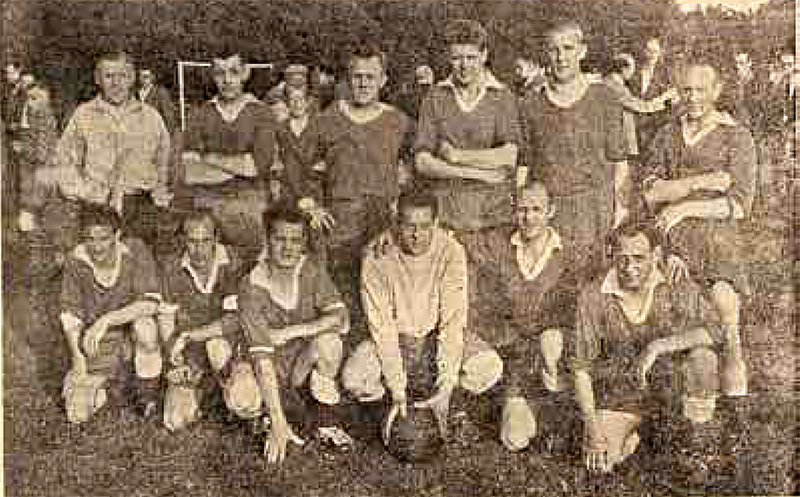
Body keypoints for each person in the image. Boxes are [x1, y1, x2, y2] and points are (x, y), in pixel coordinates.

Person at [342, 191, 503, 449]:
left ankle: (447, 404)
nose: (417, 235)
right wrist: (397, 390)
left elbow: (452, 323)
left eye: (425, 226)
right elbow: (383, 330)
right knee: (354, 377)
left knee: (489, 366)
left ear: (436, 223)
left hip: (433, 340)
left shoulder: (451, 251)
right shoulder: (376, 256)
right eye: (409, 226)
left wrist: (447, 386)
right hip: (398, 341)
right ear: (396, 223)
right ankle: (393, 408)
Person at [572, 220, 729, 483]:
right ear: (612, 256)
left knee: (703, 358)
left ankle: (694, 437)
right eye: (622, 259)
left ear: (656, 255)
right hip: (621, 394)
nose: (629, 268)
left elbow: (716, 331)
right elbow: (581, 367)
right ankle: (640, 435)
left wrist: (657, 346)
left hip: (671, 390)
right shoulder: (594, 294)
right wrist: (592, 429)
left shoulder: (674, 282)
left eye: (639, 258)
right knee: (600, 463)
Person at [642, 62, 754, 401]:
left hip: (717, 237)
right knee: (671, 303)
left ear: (716, 91)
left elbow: (738, 205)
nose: (692, 98)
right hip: (670, 236)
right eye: (686, 90)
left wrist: (682, 206)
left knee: (723, 297)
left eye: (700, 90)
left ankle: (733, 365)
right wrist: (705, 181)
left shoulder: (736, 136)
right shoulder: (667, 134)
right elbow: (650, 193)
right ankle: (683, 379)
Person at [304, 41, 413, 318]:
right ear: (348, 79)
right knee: (343, 301)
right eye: (357, 77)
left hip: (383, 224)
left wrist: (400, 213)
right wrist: (313, 206)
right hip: (340, 225)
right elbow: (306, 172)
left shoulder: (399, 122)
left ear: (383, 80)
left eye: (370, 77)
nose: (363, 84)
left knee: (385, 302)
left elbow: (410, 175)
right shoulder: (326, 121)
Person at [238, 205, 353, 464]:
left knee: (329, 343)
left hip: (298, 368)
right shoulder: (251, 285)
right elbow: (262, 359)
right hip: (264, 370)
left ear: (303, 242)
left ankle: (325, 421)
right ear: (267, 240)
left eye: (296, 240)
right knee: (241, 398)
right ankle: (267, 418)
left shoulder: (310, 270)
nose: (288, 248)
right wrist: (279, 422)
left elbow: (341, 318)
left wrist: (291, 332)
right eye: (280, 239)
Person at [468, 182, 576, 451]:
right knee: (514, 439)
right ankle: (519, 408)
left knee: (551, 345)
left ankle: (556, 410)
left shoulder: (570, 253)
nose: (529, 218)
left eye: (537, 210)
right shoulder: (499, 245)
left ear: (551, 211)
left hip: (550, 353)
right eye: (522, 210)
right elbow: (454, 239)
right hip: (515, 355)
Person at [520, 20, 628, 284]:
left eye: (568, 48)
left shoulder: (604, 98)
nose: (561, 57)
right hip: (551, 216)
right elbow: (523, 167)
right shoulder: (530, 104)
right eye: (554, 50)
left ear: (582, 51)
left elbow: (620, 162)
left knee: (594, 287)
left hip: (596, 212)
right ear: (546, 54)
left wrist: (619, 209)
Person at [415, 19, 522, 269]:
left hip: (492, 217)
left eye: (471, 57)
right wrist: (479, 173)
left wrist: (456, 156)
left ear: (484, 56)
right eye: (457, 58)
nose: (464, 66)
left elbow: (509, 156)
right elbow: (422, 161)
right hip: (447, 216)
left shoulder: (501, 97)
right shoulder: (435, 97)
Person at [44, 50, 172, 250]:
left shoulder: (151, 117)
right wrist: (87, 192)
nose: (116, 83)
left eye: (122, 76)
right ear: (97, 79)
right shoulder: (82, 115)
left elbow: (164, 161)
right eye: (109, 76)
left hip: (140, 209)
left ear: (132, 78)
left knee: (139, 261)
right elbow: (64, 163)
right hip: (97, 207)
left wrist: (159, 194)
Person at [59, 204, 165, 422]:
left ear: (117, 235)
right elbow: (70, 314)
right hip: (100, 341)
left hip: (130, 330)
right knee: (78, 414)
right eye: (90, 239)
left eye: (104, 239)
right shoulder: (76, 261)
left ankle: (147, 397)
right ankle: (116, 382)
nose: (97, 247)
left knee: (146, 327)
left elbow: (151, 303)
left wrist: (105, 321)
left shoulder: (134, 249)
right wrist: (77, 357)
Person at [160, 211, 259, 430]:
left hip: (228, 346)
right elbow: (166, 318)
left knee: (245, 402)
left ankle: (231, 389)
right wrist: (174, 358)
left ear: (216, 238)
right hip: (191, 351)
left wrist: (190, 336)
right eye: (192, 241)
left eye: (205, 241)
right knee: (176, 421)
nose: (199, 249)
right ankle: (205, 392)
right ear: (183, 240)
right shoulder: (172, 267)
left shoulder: (234, 263)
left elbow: (235, 320)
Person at [180, 47, 277, 263]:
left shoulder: (261, 113)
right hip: (207, 205)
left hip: (250, 207)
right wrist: (238, 167)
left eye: (233, 72)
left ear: (245, 73)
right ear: (212, 76)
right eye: (220, 73)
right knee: (208, 263)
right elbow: (190, 172)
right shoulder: (200, 114)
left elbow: (256, 167)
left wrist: (209, 159)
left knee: (250, 265)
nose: (227, 80)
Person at [604, 53, 678, 159]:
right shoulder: (616, 87)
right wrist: (663, 99)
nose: (633, 72)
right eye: (632, 68)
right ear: (623, 69)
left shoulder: (609, 82)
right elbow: (641, 107)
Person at [629, 36, 673, 151]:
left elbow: (671, 95)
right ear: (644, 51)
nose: (652, 55)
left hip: (654, 123)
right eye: (649, 50)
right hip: (633, 121)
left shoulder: (665, 73)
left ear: (660, 53)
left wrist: (661, 99)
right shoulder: (634, 70)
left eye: (655, 51)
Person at [718, 52, 765, 133]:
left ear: (750, 63)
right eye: (736, 64)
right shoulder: (730, 84)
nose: (738, 67)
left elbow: (760, 112)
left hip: (752, 130)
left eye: (741, 63)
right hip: (732, 128)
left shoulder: (759, 85)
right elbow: (722, 105)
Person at [137, 67, 178, 133]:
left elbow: (168, 114)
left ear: (152, 77)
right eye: (141, 77)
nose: (143, 80)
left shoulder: (160, 92)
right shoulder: (136, 94)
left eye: (146, 77)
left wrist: (169, 131)